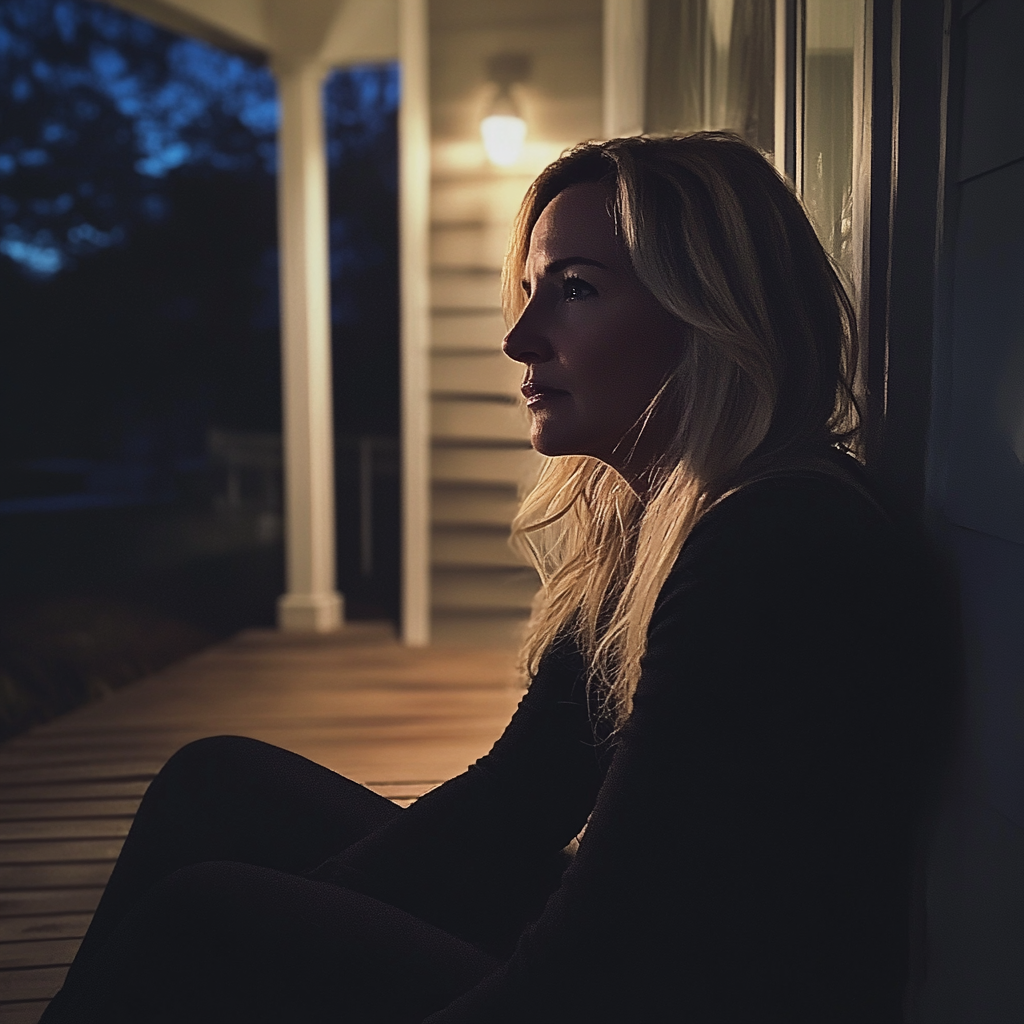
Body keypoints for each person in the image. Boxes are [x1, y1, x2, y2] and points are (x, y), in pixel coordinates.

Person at [41, 132, 955, 1024]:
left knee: (207, 917)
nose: (521, 339)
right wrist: (289, 938)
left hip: (676, 998)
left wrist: (265, 951)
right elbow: (520, 797)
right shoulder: (662, 515)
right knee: (217, 792)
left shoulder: (773, 546)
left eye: (576, 291)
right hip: (622, 961)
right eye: (528, 292)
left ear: (709, 314)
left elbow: (594, 968)